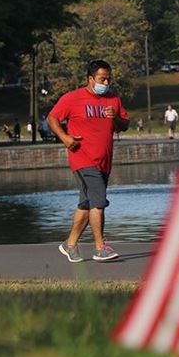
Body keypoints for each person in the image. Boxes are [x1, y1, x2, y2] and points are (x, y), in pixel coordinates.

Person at [47, 60, 129, 262]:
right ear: (91, 79)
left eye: (108, 79)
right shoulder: (72, 98)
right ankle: (100, 247)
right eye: (102, 79)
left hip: (104, 162)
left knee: (87, 204)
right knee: (99, 202)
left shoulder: (113, 99)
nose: (106, 83)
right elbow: (52, 118)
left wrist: (115, 117)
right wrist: (65, 138)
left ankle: (69, 244)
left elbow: (125, 125)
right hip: (83, 159)